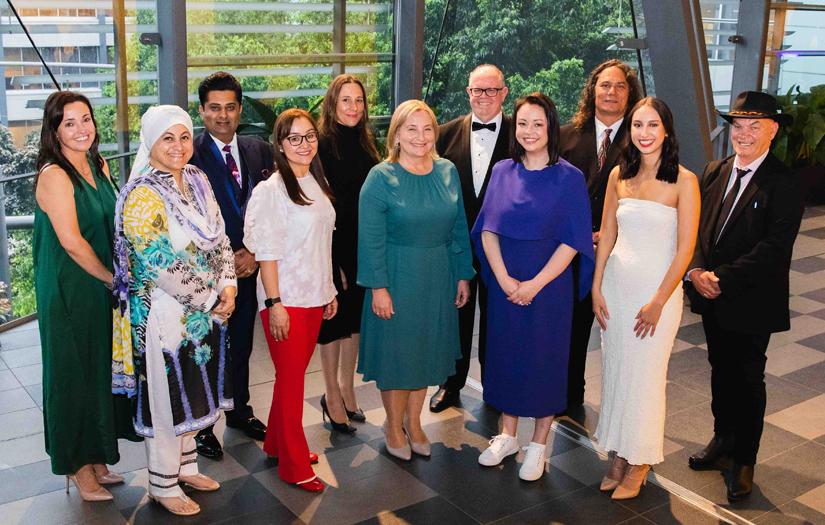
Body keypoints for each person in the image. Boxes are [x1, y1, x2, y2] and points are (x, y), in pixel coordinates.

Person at [113, 105, 235, 516]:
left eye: (184, 137)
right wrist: (210, 298)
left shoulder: (198, 180)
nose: (179, 146)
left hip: (204, 311)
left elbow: (218, 237)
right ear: (151, 142)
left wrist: (229, 285)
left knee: (194, 391)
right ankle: (163, 483)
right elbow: (158, 261)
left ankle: (186, 466)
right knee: (166, 397)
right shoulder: (142, 195)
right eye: (168, 138)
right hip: (164, 314)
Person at [685, 91, 802, 502]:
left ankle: (744, 459)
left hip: (752, 300)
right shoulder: (715, 171)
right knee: (720, 369)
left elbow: (773, 248)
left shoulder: (784, 182)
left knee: (748, 378)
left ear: (772, 132)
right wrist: (696, 270)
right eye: (738, 126)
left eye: (755, 126)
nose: (744, 134)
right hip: (710, 294)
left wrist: (721, 277)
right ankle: (722, 441)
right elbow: (696, 228)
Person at [472, 93, 594, 482]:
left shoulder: (570, 178)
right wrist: (506, 279)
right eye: (522, 123)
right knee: (507, 357)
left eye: (537, 124)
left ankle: (539, 444)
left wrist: (535, 285)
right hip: (506, 284)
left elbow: (573, 241)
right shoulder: (502, 171)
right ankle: (507, 435)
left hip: (548, 289)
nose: (529, 131)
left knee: (544, 362)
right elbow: (487, 229)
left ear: (551, 128)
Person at [591, 97, 700, 499]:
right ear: (629, 130)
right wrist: (596, 285)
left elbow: (685, 249)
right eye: (638, 125)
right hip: (616, 290)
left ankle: (639, 461)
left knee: (647, 378)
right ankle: (620, 453)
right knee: (618, 373)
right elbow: (607, 234)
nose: (645, 133)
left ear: (666, 130)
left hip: (658, 295)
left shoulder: (684, 181)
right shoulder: (620, 173)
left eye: (653, 125)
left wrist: (658, 300)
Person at [33, 91, 139, 503]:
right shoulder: (54, 175)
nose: (81, 129)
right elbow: (73, 243)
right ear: (55, 131)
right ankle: (77, 467)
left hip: (101, 283)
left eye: (86, 119)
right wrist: (113, 280)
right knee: (72, 373)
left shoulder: (98, 164)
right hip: (70, 287)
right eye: (69, 123)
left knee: (99, 367)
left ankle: (96, 457)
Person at [358, 99, 474, 461]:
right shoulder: (380, 177)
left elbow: (459, 229)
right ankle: (393, 426)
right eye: (412, 129)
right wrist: (379, 288)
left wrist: (462, 275)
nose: (421, 137)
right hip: (396, 275)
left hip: (437, 274)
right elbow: (371, 238)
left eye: (427, 129)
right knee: (398, 357)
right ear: (396, 134)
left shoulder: (447, 170)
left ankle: (414, 421)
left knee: (425, 352)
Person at [243, 108, 338, 493]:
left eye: (310, 136)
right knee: (294, 381)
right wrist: (275, 304)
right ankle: (294, 465)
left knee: (290, 377)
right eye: (294, 138)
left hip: (313, 295)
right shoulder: (271, 191)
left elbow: (321, 244)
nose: (304, 144)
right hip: (287, 300)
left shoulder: (314, 181)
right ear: (280, 145)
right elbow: (266, 252)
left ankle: (277, 444)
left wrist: (328, 290)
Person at [190, 71, 272, 459]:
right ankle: (203, 428)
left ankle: (240, 410)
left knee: (242, 344)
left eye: (230, 107)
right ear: (202, 112)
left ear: (240, 109)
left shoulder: (260, 151)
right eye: (214, 108)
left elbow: (271, 207)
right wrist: (226, 261)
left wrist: (253, 253)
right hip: (208, 274)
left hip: (251, 265)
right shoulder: (188, 154)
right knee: (207, 348)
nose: (223, 116)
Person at [559, 59, 643, 413]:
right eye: (605, 85)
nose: (611, 92)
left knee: (620, 332)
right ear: (592, 90)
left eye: (620, 86)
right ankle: (569, 395)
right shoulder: (564, 136)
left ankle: (621, 408)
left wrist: (609, 233)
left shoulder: (642, 139)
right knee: (572, 328)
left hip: (622, 253)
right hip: (571, 251)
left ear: (630, 94)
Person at [429, 64, 512, 413]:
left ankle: (496, 385)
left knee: (498, 318)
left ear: (504, 93)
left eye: (491, 90)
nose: (484, 97)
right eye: (477, 90)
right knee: (455, 315)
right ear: (468, 93)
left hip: (504, 246)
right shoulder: (444, 135)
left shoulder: (520, 134)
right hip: (455, 244)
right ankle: (451, 382)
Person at [315, 74, 381, 432]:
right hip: (333, 246)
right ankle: (330, 393)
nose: (353, 107)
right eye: (346, 100)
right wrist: (330, 261)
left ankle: (346, 388)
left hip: (363, 245)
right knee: (333, 323)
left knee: (354, 321)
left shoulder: (370, 143)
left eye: (359, 100)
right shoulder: (322, 145)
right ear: (332, 104)